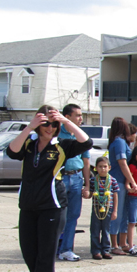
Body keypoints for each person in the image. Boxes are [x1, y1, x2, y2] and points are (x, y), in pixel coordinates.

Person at [6, 105, 92, 272]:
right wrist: (29, 127)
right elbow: (11, 151)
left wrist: (65, 121)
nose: (49, 128)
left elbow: (86, 141)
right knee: (30, 253)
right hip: (28, 205)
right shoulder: (29, 144)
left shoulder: (62, 145)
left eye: (53, 125)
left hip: (52, 206)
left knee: (45, 252)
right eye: (46, 124)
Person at [57, 104, 90, 262]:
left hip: (76, 178)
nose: (80, 118)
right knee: (58, 216)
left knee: (73, 216)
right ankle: (54, 247)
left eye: (81, 115)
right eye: (77, 115)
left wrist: (87, 184)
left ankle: (66, 249)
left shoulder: (81, 135)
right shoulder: (57, 133)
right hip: (60, 178)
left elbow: (86, 161)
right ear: (67, 117)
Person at [108, 117, 137, 255]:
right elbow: (122, 163)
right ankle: (114, 245)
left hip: (122, 182)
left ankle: (123, 242)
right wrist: (132, 181)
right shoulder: (120, 143)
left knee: (124, 214)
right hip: (118, 182)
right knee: (117, 213)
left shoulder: (119, 142)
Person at [88, 157, 118, 260]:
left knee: (106, 230)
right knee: (95, 230)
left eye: (105, 167)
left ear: (109, 167)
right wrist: (86, 193)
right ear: (96, 168)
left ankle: (105, 250)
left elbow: (115, 195)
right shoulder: (93, 180)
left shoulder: (112, 180)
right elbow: (90, 193)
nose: (103, 169)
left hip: (108, 208)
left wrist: (115, 211)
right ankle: (96, 251)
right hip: (96, 208)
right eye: (100, 167)